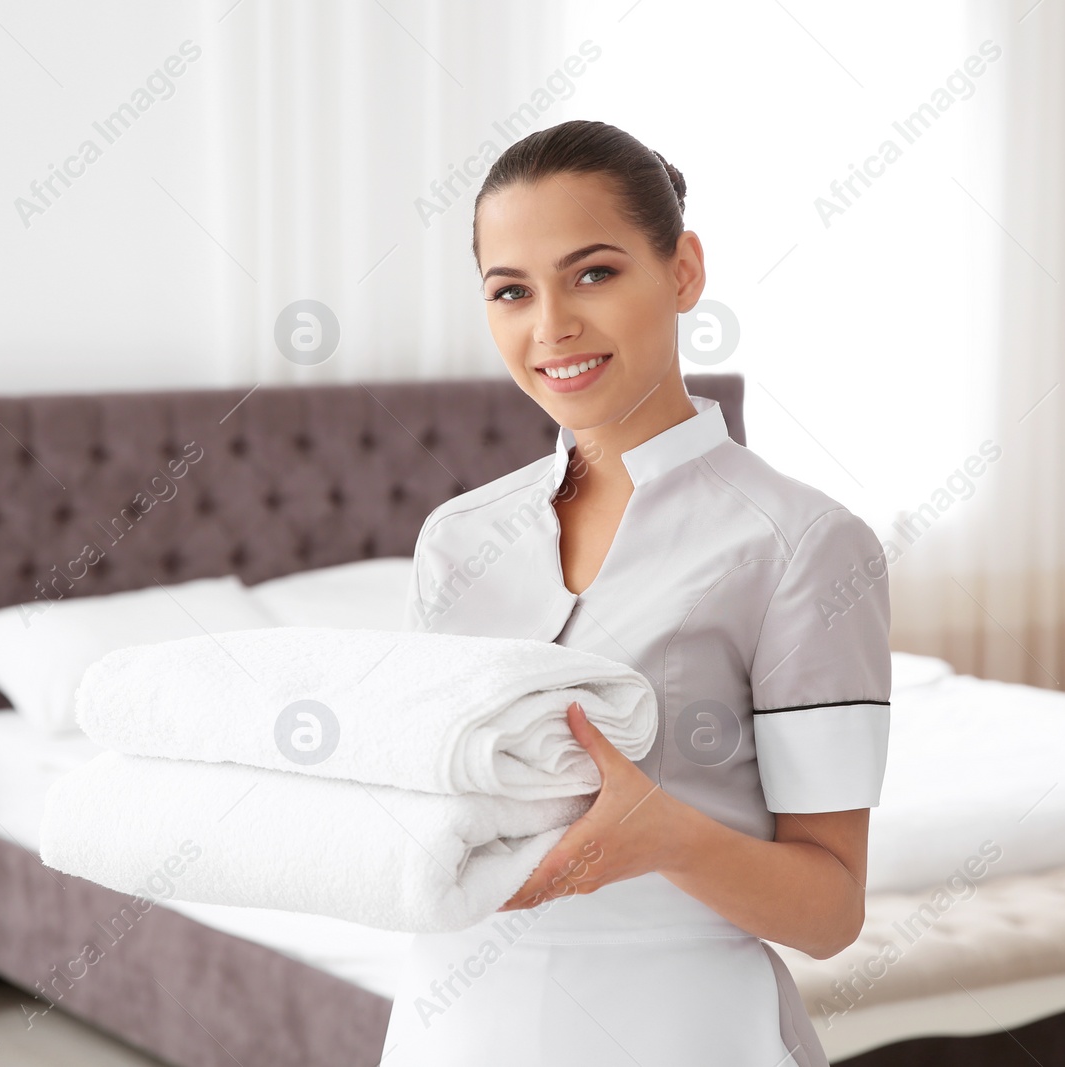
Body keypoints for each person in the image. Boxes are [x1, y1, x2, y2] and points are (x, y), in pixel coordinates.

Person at [380, 118, 891, 1067]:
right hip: (450, 1026)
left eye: (594, 273)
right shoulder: (456, 540)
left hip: (683, 1031)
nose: (551, 327)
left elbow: (830, 912)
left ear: (684, 271)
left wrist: (667, 836)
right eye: (510, 291)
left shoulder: (803, 547)